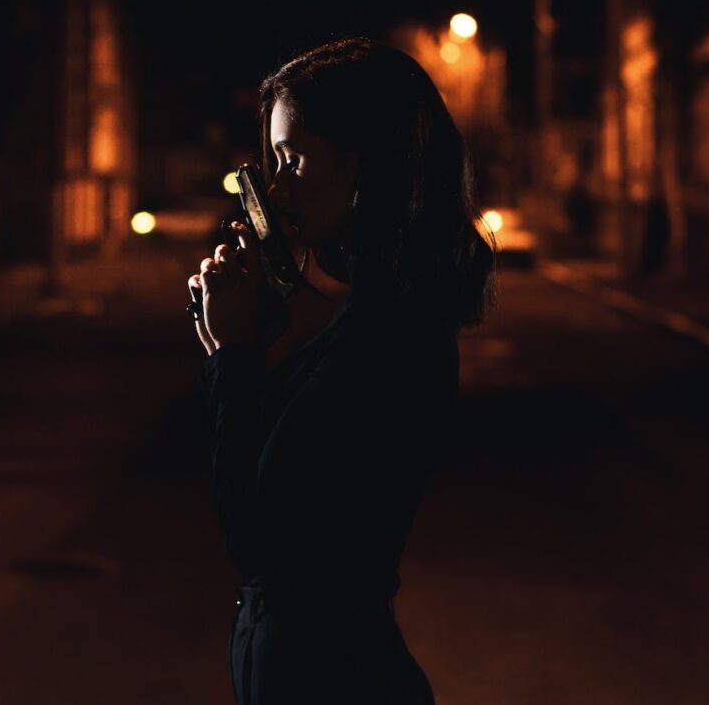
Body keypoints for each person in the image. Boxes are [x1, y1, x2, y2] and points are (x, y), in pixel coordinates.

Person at [187, 37, 497, 704]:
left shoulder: (392, 336)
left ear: (370, 167)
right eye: (272, 163)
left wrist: (232, 359)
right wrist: (250, 340)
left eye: (294, 160)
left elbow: (261, 544)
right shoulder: (377, 317)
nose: (274, 188)